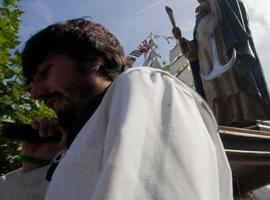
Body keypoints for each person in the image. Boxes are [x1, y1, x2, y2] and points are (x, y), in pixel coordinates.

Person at [0, 18, 232, 200]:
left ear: (92, 59)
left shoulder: (142, 85)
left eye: (45, 72)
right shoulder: (69, 146)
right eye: (31, 83)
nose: (35, 93)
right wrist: (37, 170)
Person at [173, 0, 270, 126]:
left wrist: (212, 3)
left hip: (225, 56)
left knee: (233, 86)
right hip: (208, 66)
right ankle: (221, 121)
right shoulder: (199, 21)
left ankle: (244, 114)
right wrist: (181, 40)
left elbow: (231, 9)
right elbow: (195, 50)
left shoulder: (225, 6)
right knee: (215, 94)